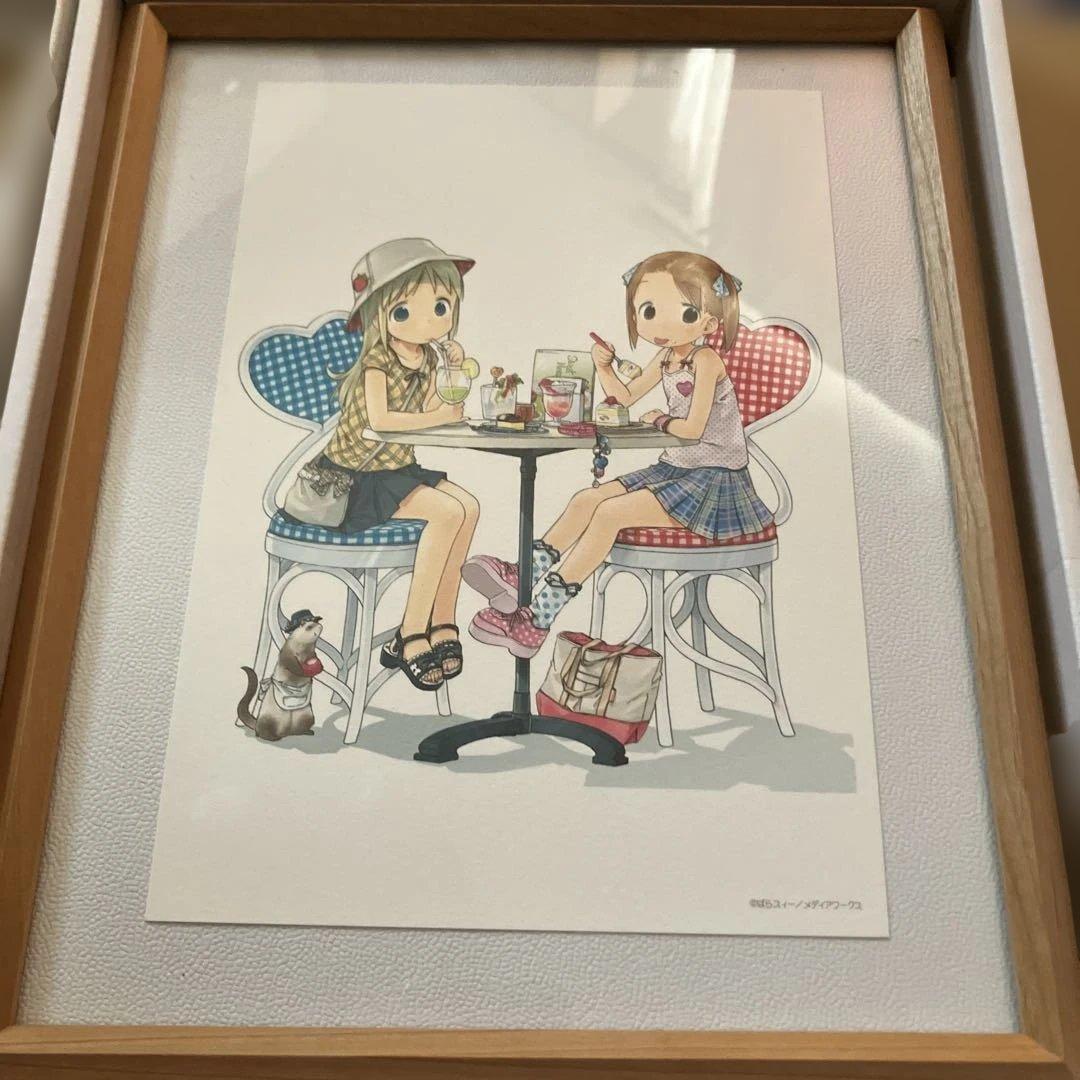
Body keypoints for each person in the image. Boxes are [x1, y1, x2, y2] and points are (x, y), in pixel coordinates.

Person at [463, 250, 772, 657]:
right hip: (677, 470)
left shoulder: (706, 359)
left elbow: (693, 429)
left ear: (709, 323)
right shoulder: (667, 357)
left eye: (681, 313)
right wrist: (605, 367)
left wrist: (660, 418)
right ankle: (522, 576)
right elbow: (625, 397)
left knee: (609, 514)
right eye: (648, 311)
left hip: (715, 483)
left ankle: (537, 620)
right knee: (586, 499)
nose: (659, 324)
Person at [318, 238, 481, 690]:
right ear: (381, 314)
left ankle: (442, 621)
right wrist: (440, 416)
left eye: (441, 307)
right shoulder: (377, 359)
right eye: (406, 311)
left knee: (469, 506)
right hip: (356, 479)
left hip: (395, 472)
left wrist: (449, 371)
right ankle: (410, 633)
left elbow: (429, 409)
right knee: (446, 512)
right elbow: (383, 421)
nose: (429, 321)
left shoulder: (426, 356)